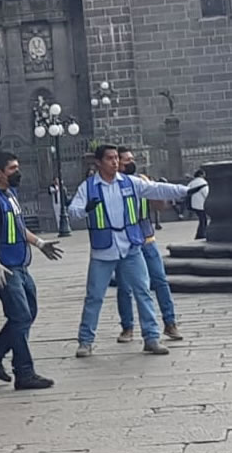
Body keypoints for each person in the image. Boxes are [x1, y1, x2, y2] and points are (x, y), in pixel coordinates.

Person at [68, 145, 189, 358]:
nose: (115, 162)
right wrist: (85, 208)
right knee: (94, 296)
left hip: (131, 246)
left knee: (143, 291)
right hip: (104, 250)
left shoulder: (129, 182)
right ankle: (85, 341)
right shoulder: (88, 187)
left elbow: (156, 189)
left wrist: (185, 191)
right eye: (109, 159)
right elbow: (72, 212)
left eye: (116, 158)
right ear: (98, 163)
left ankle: (151, 338)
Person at [0, 152, 63, 390]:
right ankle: (24, 372)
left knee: (29, 312)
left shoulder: (10, 194)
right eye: (12, 168)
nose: (17, 171)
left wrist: (40, 244)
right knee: (20, 316)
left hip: (20, 263)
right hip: (5, 265)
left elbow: (19, 228)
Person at [113, 148, 184, 343]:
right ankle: (127, 327)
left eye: (132, 159)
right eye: (127, 160)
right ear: (116, 162)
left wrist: (154, 190)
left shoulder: (141, 180)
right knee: (125, 287)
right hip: (125, 243)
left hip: (146, 238)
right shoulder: (111, 185)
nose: (131, 162)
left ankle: (170, 323)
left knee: (160, 281)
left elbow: (160, 206)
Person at [188, 169, 209, 239]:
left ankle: (200, 234)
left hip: (193, 204)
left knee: (202, 219)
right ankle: (201, 234)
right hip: (201, 204)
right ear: (201, 175)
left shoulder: (192, 182)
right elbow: (206, 193)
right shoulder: (203, 182)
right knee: (203, 220)